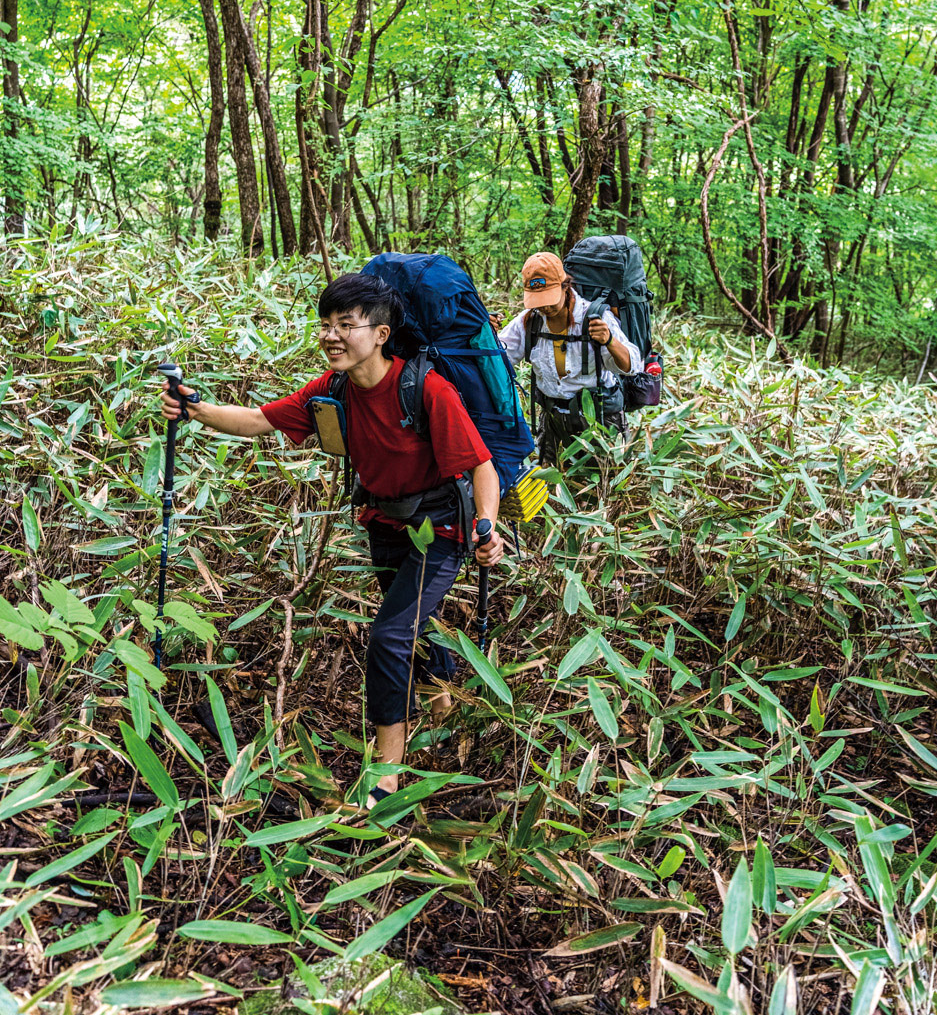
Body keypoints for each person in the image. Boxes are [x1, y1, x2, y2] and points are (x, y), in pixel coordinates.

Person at [159, 272, 503, 809]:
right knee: (413, 618)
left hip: (440, 530)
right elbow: (257, 420)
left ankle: (387, 769)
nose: (332, 335)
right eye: (326, 324)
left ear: (382, 334)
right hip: (386, 524)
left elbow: (481, 466)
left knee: (389, 636)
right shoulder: (333, 389)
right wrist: (196, 409)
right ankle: (442, 697)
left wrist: (487, 524)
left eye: (347, 324)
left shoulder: (426, 388)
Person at [498, 251, 642, 463]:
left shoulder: (594, 316)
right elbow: (500, 358)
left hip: (598, 419)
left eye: (549, 299)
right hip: (553, 419)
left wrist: (609, 340)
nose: (545, 307)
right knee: (553, 483)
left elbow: (632, 366)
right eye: (538, 301)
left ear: (565, 287)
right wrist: (485, 333)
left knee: (603, 482)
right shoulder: (530, 322)